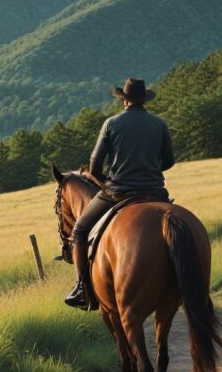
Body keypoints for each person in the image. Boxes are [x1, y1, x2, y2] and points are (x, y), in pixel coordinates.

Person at [65, 78, 175, 311]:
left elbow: (94, 166)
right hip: (155, 191)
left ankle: (82, 288)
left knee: (79, 230)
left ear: (124, 100)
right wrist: (150, 168)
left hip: (118, 192)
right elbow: (169, 161)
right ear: (144, 100)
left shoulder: (111, 123)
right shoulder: (159, 124)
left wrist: (107, 180)